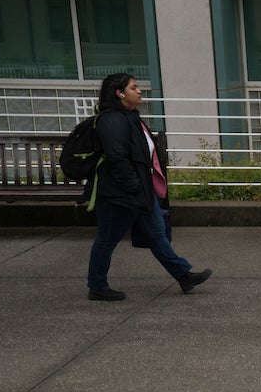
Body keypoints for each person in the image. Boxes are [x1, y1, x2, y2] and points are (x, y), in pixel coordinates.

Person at [86, 73, 211, 301]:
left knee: (156, 233)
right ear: (120, 93)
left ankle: (184, 275)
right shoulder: (111, 120)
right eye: (134, 87)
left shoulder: (130, 116)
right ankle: (97, 286)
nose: (140, 90)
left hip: (140, 191)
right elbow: (117, 157)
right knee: (107, 239)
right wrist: (134, 186)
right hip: (119, 194)